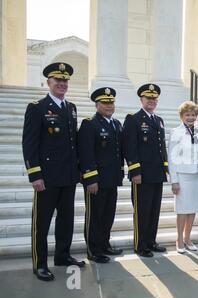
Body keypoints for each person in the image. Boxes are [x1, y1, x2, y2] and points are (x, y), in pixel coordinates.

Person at [22, 62, 85, 281]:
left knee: (66, 220)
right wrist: (35, 174)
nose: (62, 84)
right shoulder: (37, 107)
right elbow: (29, 144)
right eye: (57, 80)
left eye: (65, 80)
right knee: (42, 222)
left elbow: (73, 143)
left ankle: (62, 255)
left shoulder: (71, 108)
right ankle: (39, 263)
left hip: (68, 176)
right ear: (48, 82)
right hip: (47, 178)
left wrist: (78, 171)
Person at [78, 87, 124, 264]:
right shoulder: (90, 124)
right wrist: (90, 178)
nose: (109, 105)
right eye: (105, 103)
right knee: (95, 216)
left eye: (111, 102)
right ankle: (93, 250)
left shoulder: (116, 124)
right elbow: (86, 153)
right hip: (96, 181)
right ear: (97, 105)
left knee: (108, 214)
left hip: (112, 178)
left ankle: (104, 244)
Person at [123, 84, 168, 257]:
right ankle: (140, 245)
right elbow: (130, 148)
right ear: (141, 99)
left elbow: (161, 147)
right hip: (142, 174)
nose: (152, 101)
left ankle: (151, 241)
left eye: (154, 99)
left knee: (154, 210)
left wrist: (165, 167)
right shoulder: (133, 119)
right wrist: (135, 171)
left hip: (157, 173)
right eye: (148, 98)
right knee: (142, 211)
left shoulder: (159, 120)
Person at [168, 101, 198, 254]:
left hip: (197, 176)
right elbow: (172, 158)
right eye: (187, 114)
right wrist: (174, 181)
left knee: (192, 209)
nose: (190, 117)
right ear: (182, 116)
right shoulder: (176, 132)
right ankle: (179, 239)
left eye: (193, 114)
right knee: (182, 210)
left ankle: (188, 237)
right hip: (182, 177)